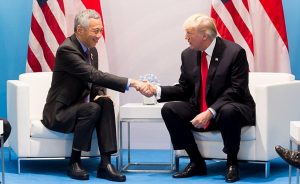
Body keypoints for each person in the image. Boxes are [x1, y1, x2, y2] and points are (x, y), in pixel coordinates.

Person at [141, 14, 256, 183]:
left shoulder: (234, 52)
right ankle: (196, 162)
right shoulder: (187, 55)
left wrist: (210, 111)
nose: (185, 37)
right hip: (200, 108)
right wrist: (156, 90)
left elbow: (236, 90)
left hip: (233, 107)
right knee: (170, 109)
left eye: (189, 33)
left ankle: (232, 162)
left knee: (228, 110)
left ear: (204, 35)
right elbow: (184, 88)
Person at [42, 9, 147, 182]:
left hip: (80, 109)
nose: (99, 35)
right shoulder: (66, 50)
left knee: (105, 102)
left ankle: (105, 164)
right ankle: (74, 162)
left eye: (101, 30)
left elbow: (95, 82)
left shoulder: (92, 50)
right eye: (95, 31)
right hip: (60, 113)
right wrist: (132, 82)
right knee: (91, 108)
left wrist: (99, 94)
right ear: (79, 30)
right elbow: (93, 75)